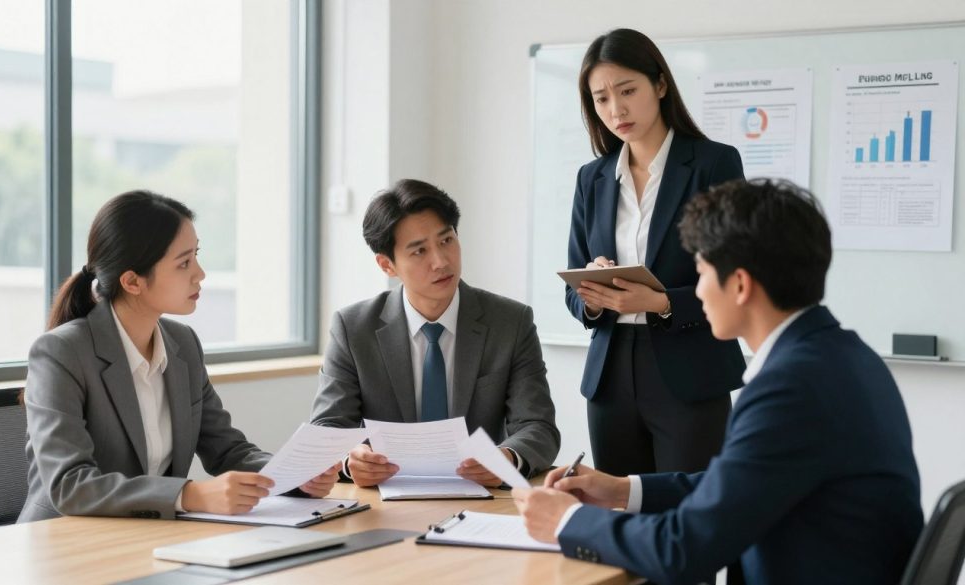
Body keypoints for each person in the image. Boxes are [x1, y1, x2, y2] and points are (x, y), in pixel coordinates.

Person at [514, 179, 923, 584]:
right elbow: (734, 485)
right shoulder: (842, 357)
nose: (699, 291)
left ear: (741, 285)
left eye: (702, 272)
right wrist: (622, 489)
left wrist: (567, 521)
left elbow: (683, 549)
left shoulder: (791, 387)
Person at [19, 190, 339, 522]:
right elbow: (70, 486)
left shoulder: (182, 343)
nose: (199, 273)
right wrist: (190, 494)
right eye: (184, 262)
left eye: (196, 256)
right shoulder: (61, 353)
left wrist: (292, 477)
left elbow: (227, 449)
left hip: (149, 535)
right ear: (132, 281)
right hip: (64, 542)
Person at [566, 28, 746, 476]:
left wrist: (662, 303)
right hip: (610, 378)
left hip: (689, 372)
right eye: (601, 98)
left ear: (660, 85)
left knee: (691, 517)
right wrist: (590, 293)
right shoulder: (593, 178)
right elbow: (572, 291)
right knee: (618, 518)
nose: (616, 109)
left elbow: (735, 277)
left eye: (627, 91)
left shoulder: (713, 164)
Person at [310, 179, 560, 487]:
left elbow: (538, 426)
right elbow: (328, 427)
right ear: (387, 265)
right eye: (419, 251)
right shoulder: (353, 328)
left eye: (446, 241)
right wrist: (351, 461)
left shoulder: (510, 322)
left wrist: (506, 458)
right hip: (385, 497)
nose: (441, 261)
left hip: (483, 497)